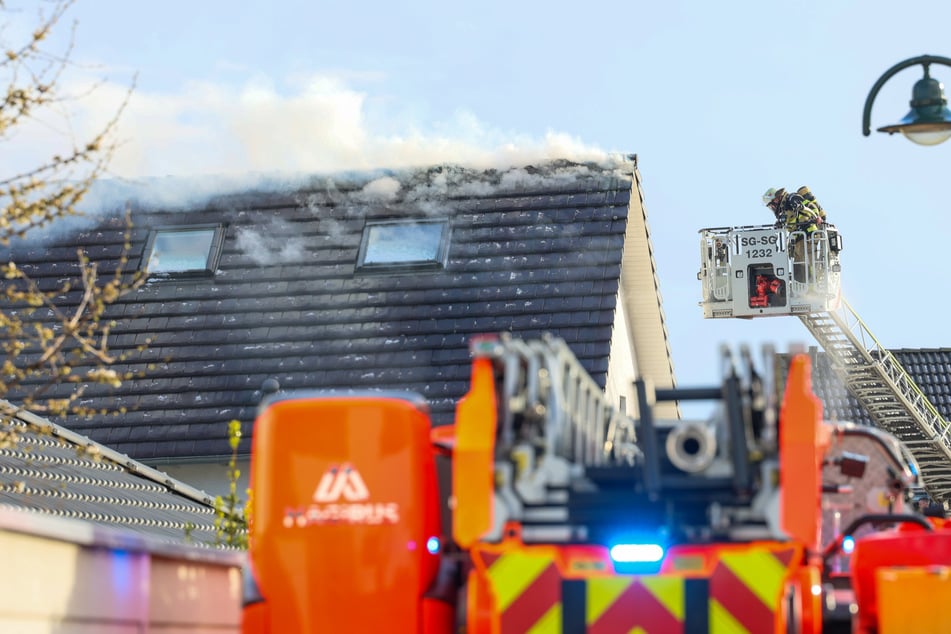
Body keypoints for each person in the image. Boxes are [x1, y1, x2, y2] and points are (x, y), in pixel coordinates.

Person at [763, 187, 823, 281]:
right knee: (798, 268)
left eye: (771, 205)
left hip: (807, 235)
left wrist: (811, 215)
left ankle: (814, 286)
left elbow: (812, 207)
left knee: (809, 262)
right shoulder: (783, 210)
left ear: (776, 199)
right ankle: (802, 290)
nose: (772, 208)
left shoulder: (791, 198)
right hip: (798, 240)